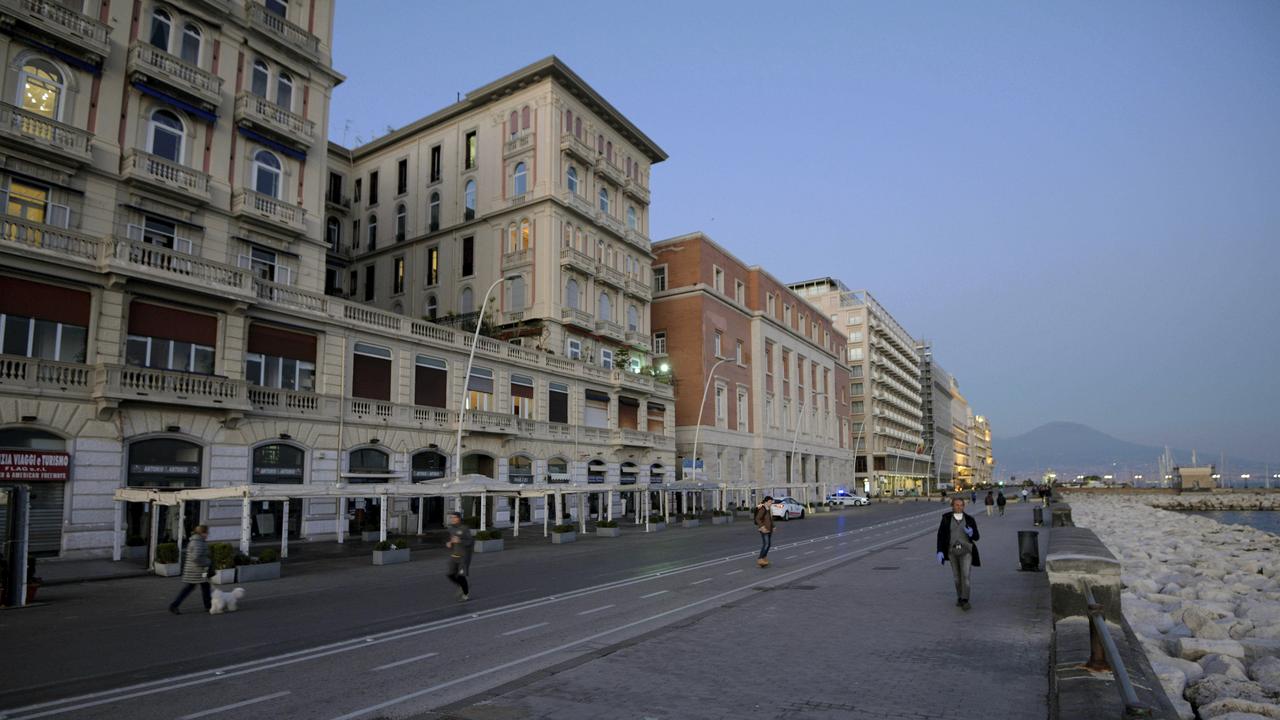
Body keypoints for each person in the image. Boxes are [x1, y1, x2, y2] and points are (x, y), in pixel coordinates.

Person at [936, 497, 981, 610]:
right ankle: (959, 597)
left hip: (966, 551)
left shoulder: (969, 519)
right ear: (952, 506)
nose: (959, 507)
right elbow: (940, 536)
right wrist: (940, 551)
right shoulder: (946, 519)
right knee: (957, 577)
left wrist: (971, 533)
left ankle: (965, 600)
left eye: (961, 505)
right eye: (956, 505)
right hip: (952, 551)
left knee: (965, 576)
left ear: (964, 506)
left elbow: (977, 537)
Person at [169, 524, 211, 615]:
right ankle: (174, 605)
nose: (208, 534)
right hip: (196, 571)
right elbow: (196, 557)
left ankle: (208, 606)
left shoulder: (197, 540)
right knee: (190, 588)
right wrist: (207, 562)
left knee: (205, 586)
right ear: (202, 533)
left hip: (199, 570)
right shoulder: (198, 542)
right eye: (207, 533)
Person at [445, 511, 473, 601]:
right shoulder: (451, 529)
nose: (452, 519)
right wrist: (450, 543)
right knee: (450, 574)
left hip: (463, 557)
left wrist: (460, 541)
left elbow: (470, 542)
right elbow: (453, 540)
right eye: (451, 518)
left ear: (459, 518)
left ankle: (465, 594)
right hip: (454, 555)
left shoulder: (464, 528)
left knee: (461, 576)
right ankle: (463, 586)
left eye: (454, 517)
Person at [753, 496, 775, 568]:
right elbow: (757, 519)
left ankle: (764, 558)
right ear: (766, 502)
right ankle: (760, 559)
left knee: (768, 544)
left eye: (771, 502)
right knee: (766, 544)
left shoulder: (768, 509)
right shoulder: (763, 509)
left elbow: (770, 519)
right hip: (764, 529)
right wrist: (762, 527)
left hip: (769, 529)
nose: (771, 503)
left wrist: (773, 526)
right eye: (769, 502)